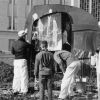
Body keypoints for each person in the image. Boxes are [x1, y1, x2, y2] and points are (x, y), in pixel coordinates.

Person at [11, 30, 30, 95]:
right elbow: (29, 53)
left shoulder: (14, 43)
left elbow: (12, 52)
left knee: (16, 75)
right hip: (23, 60)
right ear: (24, 36)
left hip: (16, 60)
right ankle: (24, 90)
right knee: (24, 76)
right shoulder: (26, 44)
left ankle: (15, 89)